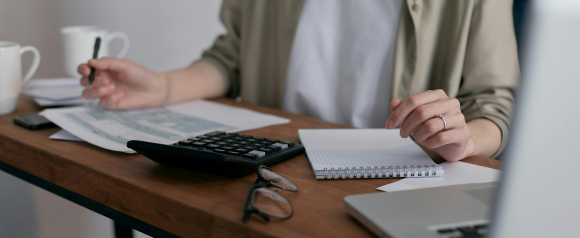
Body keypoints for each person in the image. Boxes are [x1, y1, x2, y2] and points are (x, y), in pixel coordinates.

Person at [78, 0, 519, 162]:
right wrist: (162, 86)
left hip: (391, 177)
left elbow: (495, 104)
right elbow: (232, 60)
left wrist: (464, 140)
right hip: (277, 165)